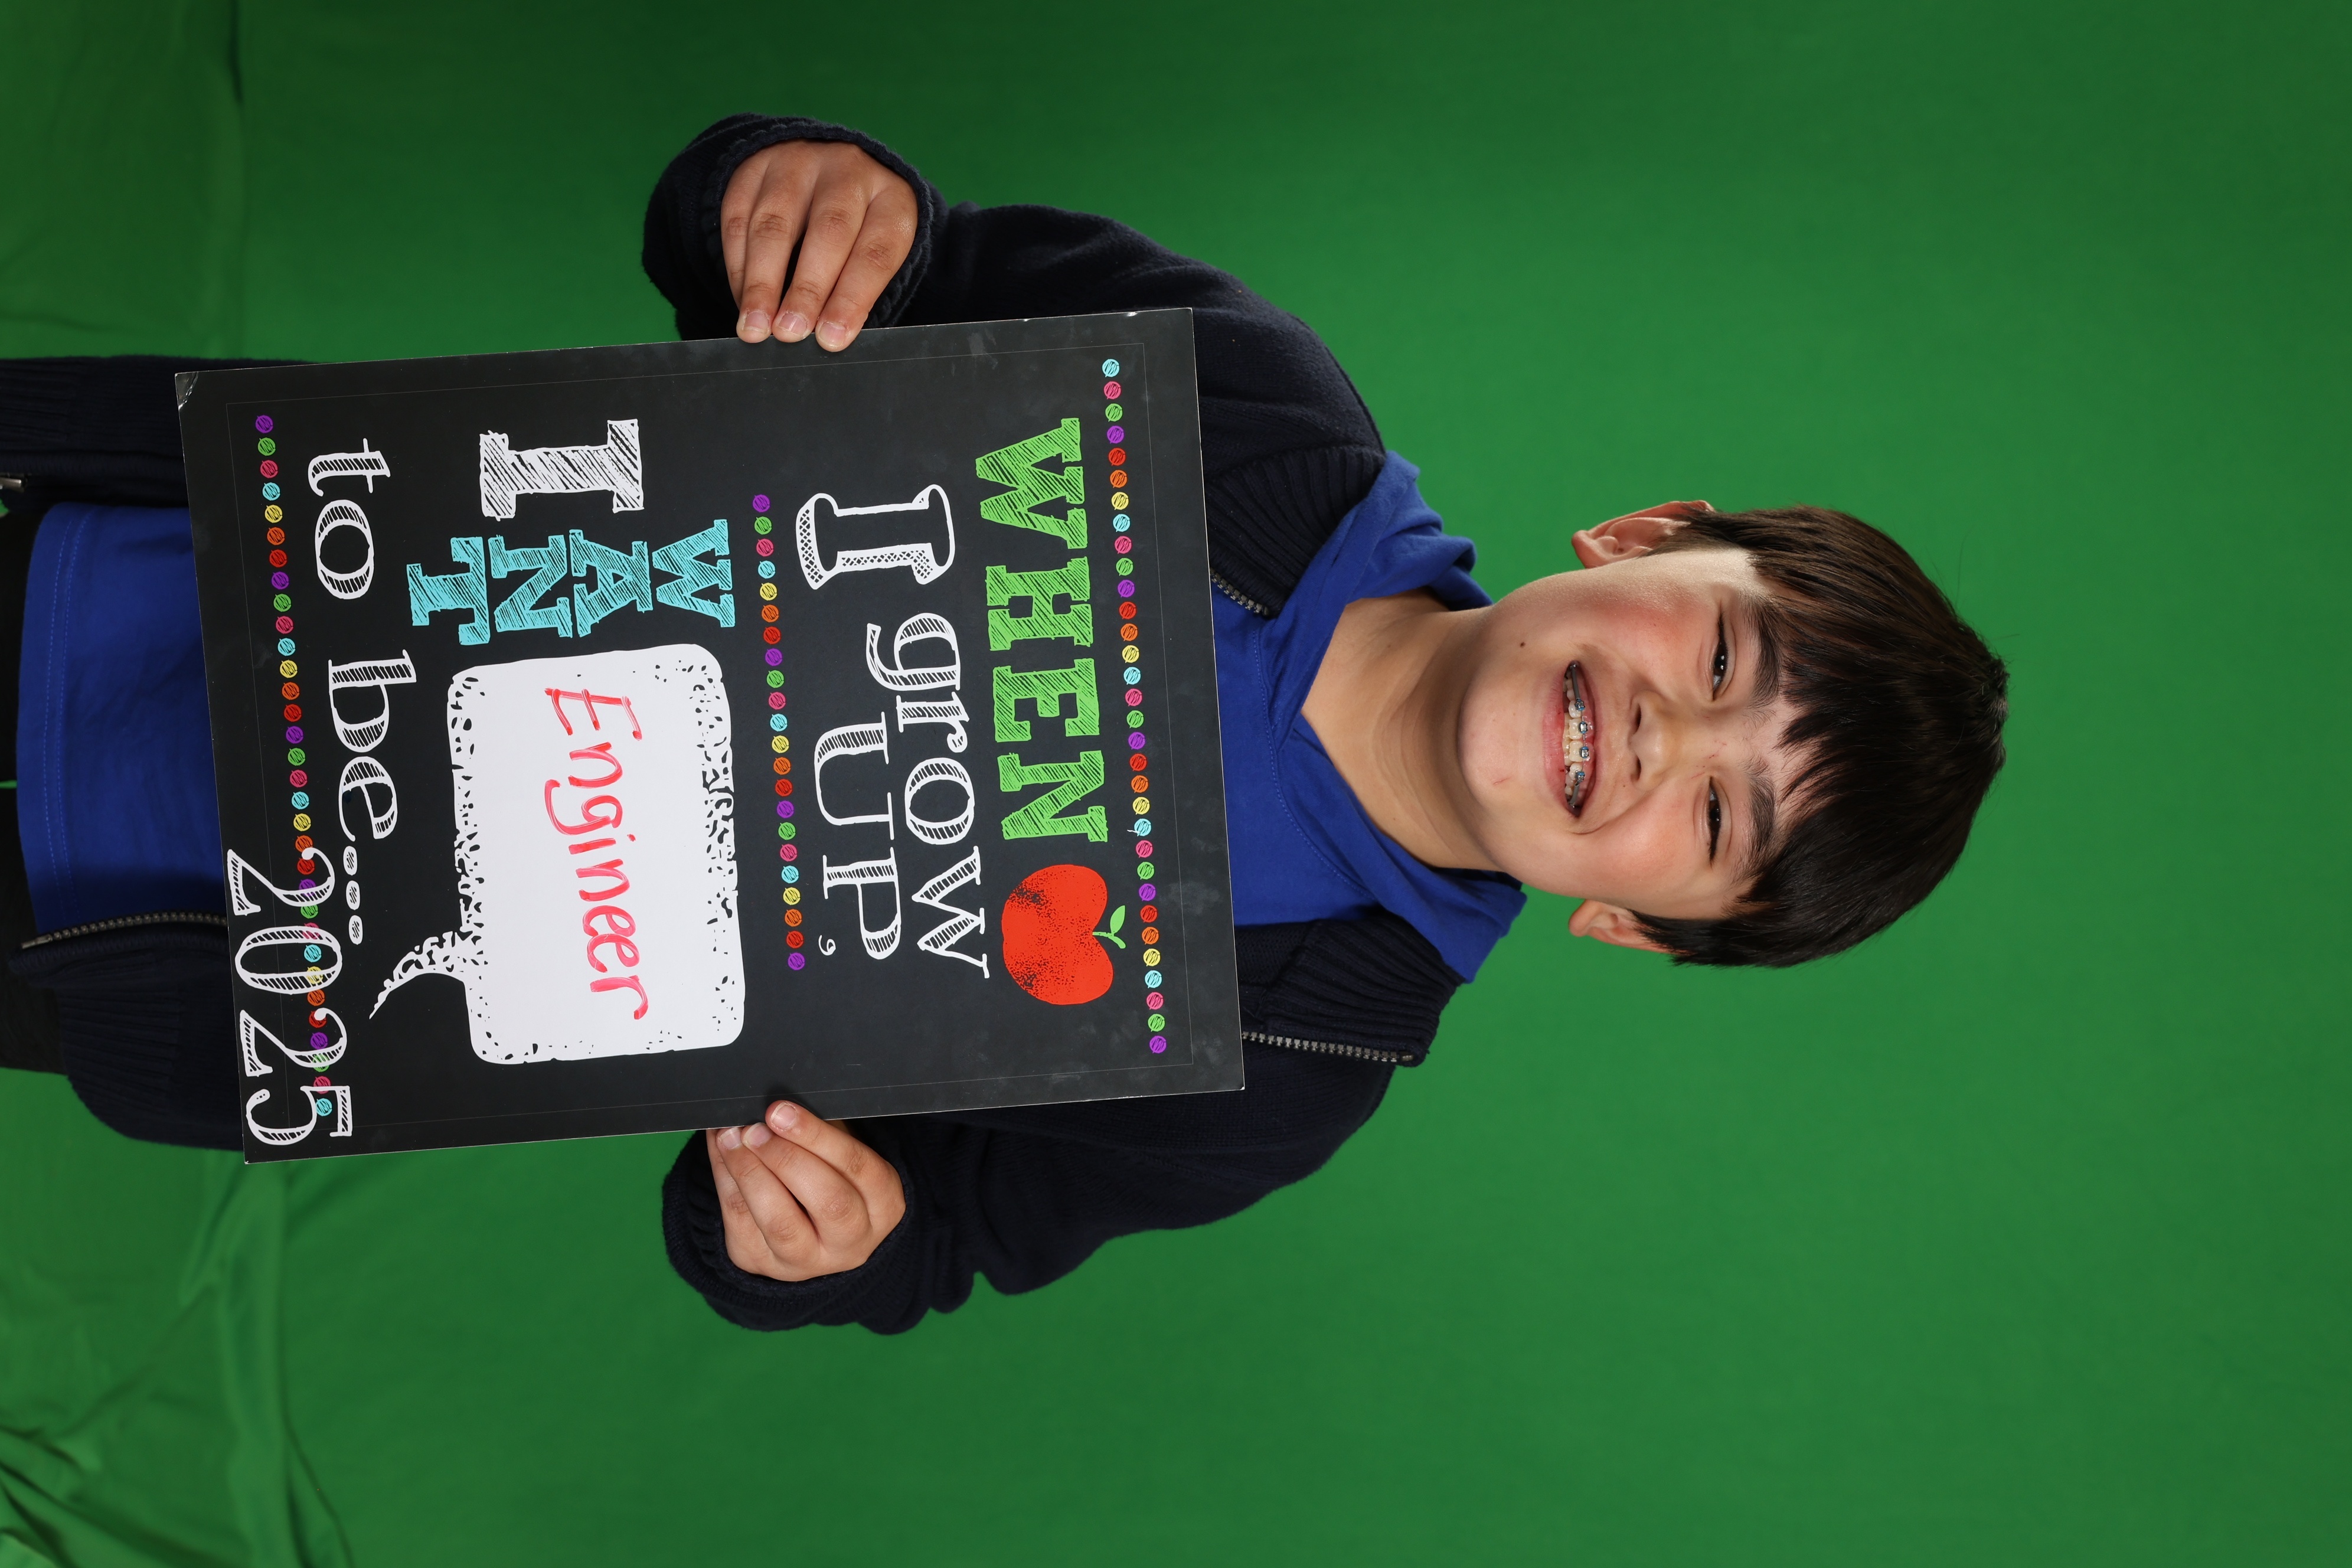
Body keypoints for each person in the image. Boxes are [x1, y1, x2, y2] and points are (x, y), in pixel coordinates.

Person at [0, 114, 2007, 1333]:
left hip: (146, 934)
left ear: (1635, 926)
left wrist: (825, 1240)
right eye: (1722, 661)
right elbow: (803, 253)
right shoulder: (1248, 405)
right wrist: (808, 191)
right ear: (1649, 537)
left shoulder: (1292, 1061)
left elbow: (917, 1233)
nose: (1662, 741)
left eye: (1719, 824)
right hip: (134, 545)